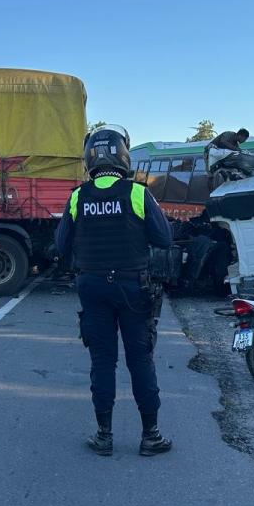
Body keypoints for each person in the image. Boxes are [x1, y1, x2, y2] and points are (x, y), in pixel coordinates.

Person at [56, 125, 175, 457]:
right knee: (140, 359)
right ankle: (150, 435)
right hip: (133, 288)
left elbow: (60, 243)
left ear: (90, 158)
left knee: (102, 361)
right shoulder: (137, 194)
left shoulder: (79, 196)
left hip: (92, 287)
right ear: (123, 155)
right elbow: (164, 238)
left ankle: (104, 435)